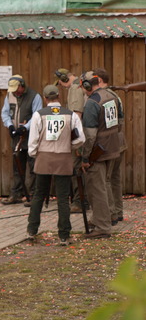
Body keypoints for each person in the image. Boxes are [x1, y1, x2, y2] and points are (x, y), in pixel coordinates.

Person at [26, 85, 85, 245]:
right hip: (63, 158)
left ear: (45, 98)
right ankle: (64, 235)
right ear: (59, 96)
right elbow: (81, 139)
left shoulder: (39, 115)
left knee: (39, 194)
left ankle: (32, 230)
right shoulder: (71, 115)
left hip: (44, 157)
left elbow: (33, 141)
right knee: (63, 198)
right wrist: (68, 146)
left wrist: (35, 153)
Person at [80, 71, 121, 238]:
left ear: (87, 85)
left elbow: (90, 135)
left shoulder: (92, 103)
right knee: (103, 186)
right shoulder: (110, 97)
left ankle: (102, 227)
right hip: (111, 148)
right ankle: (101, 218)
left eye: (83, 86)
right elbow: (120, 122)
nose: (82, 90)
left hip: (97, 152)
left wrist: (85, 157)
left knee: (97, 189)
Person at [1, 75, 42, 205]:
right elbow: (5, 113)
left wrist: (25, 128)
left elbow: (37, 115)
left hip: (31, 136)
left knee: (33, 166)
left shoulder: (35, 96)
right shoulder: (9, 96)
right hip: (16, 137)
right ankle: (16, 194)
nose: (14, 92)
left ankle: (35, 195)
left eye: (16, 88)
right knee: (17, 166)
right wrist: (10, 125)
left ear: (22, 85)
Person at [93, 68, 127, 224]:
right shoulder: (115, 96)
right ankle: (118, 212)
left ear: (99, 80)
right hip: (119, 142)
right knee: (115, 179)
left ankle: (112, 214)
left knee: (106, 179)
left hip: (110, 143)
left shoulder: (103, 97)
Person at [54, 67, 86, 213]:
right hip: (81, 134)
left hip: (78, 135)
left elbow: (77, 115)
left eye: (60, 82)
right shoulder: (79, 86)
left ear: (64, 78)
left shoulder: (74, 89)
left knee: (78, 168)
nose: (61, 86)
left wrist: (69, 136)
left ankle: (80, 202)